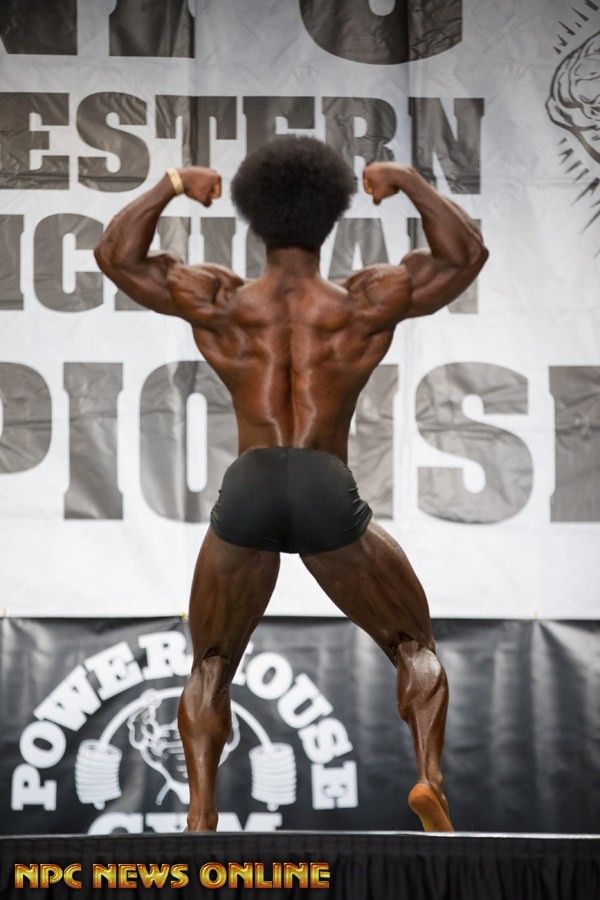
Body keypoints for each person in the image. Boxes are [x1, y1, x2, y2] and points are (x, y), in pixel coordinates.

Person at [94, 136, 488, 833]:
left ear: (254, 218)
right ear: (331, 218)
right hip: (322, 484)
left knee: (212, 661)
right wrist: (407, 181)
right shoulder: (365, 300)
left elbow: (116, 257)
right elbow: (465, 256)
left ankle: (200, 814)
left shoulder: (218, 297)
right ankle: (430, 780)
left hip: (248, 485)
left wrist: (172, 184)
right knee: (412, 645)